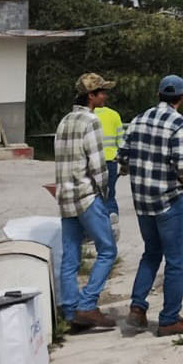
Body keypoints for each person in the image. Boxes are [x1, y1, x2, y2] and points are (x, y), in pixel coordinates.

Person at [118, 74, 183, 337]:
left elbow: (123, 159)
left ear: (158, 95)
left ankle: (137, 308)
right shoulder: (179, 125)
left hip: (142, 203)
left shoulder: (138, 121)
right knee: (175, 261)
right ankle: (169, 319)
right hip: (168, 201)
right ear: (182, 97)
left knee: (151, 253)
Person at [54, 74, 119, 329]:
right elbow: (97, 164)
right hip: (86, 195)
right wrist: (104, 193)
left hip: (65, 196)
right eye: (102, 92)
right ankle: (87, 304)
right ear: (91, 96)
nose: (105, 96)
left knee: (71, 257)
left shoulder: (64, 121)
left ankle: (70, 311)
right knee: (107, 250)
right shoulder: (91, 121)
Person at [89, 77, 123, 226]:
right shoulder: (114, 115)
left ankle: (96, 222)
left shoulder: (87, 115)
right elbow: (121, 141)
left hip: (92, 162)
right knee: (110, 193)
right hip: (111, 161)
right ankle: (112, 218)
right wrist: (123, 161)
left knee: (93, 195)